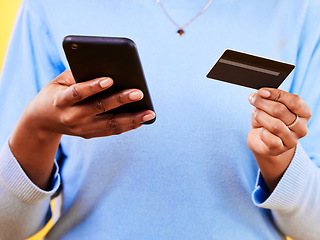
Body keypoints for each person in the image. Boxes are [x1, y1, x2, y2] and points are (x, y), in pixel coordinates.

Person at [0, 0, 320, 239]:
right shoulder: (50, 6)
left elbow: (313, 229)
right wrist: (37, 131)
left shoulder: (300, 10)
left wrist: (280, 162)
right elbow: (7, 227)